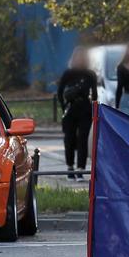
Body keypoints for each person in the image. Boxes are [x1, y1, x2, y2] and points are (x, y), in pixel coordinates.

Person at [56, 46, 98, 179]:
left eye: (82, 57)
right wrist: (64, 107)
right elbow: (60, 91)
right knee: (69, 139)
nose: (80, 59)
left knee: (83, 139)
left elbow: (95, 94)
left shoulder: (90, 74)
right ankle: (70, 167)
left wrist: (93, 110)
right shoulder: (68, 73)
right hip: (70, 110)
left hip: (85, 110)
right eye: (77, 57)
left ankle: (81, 169)